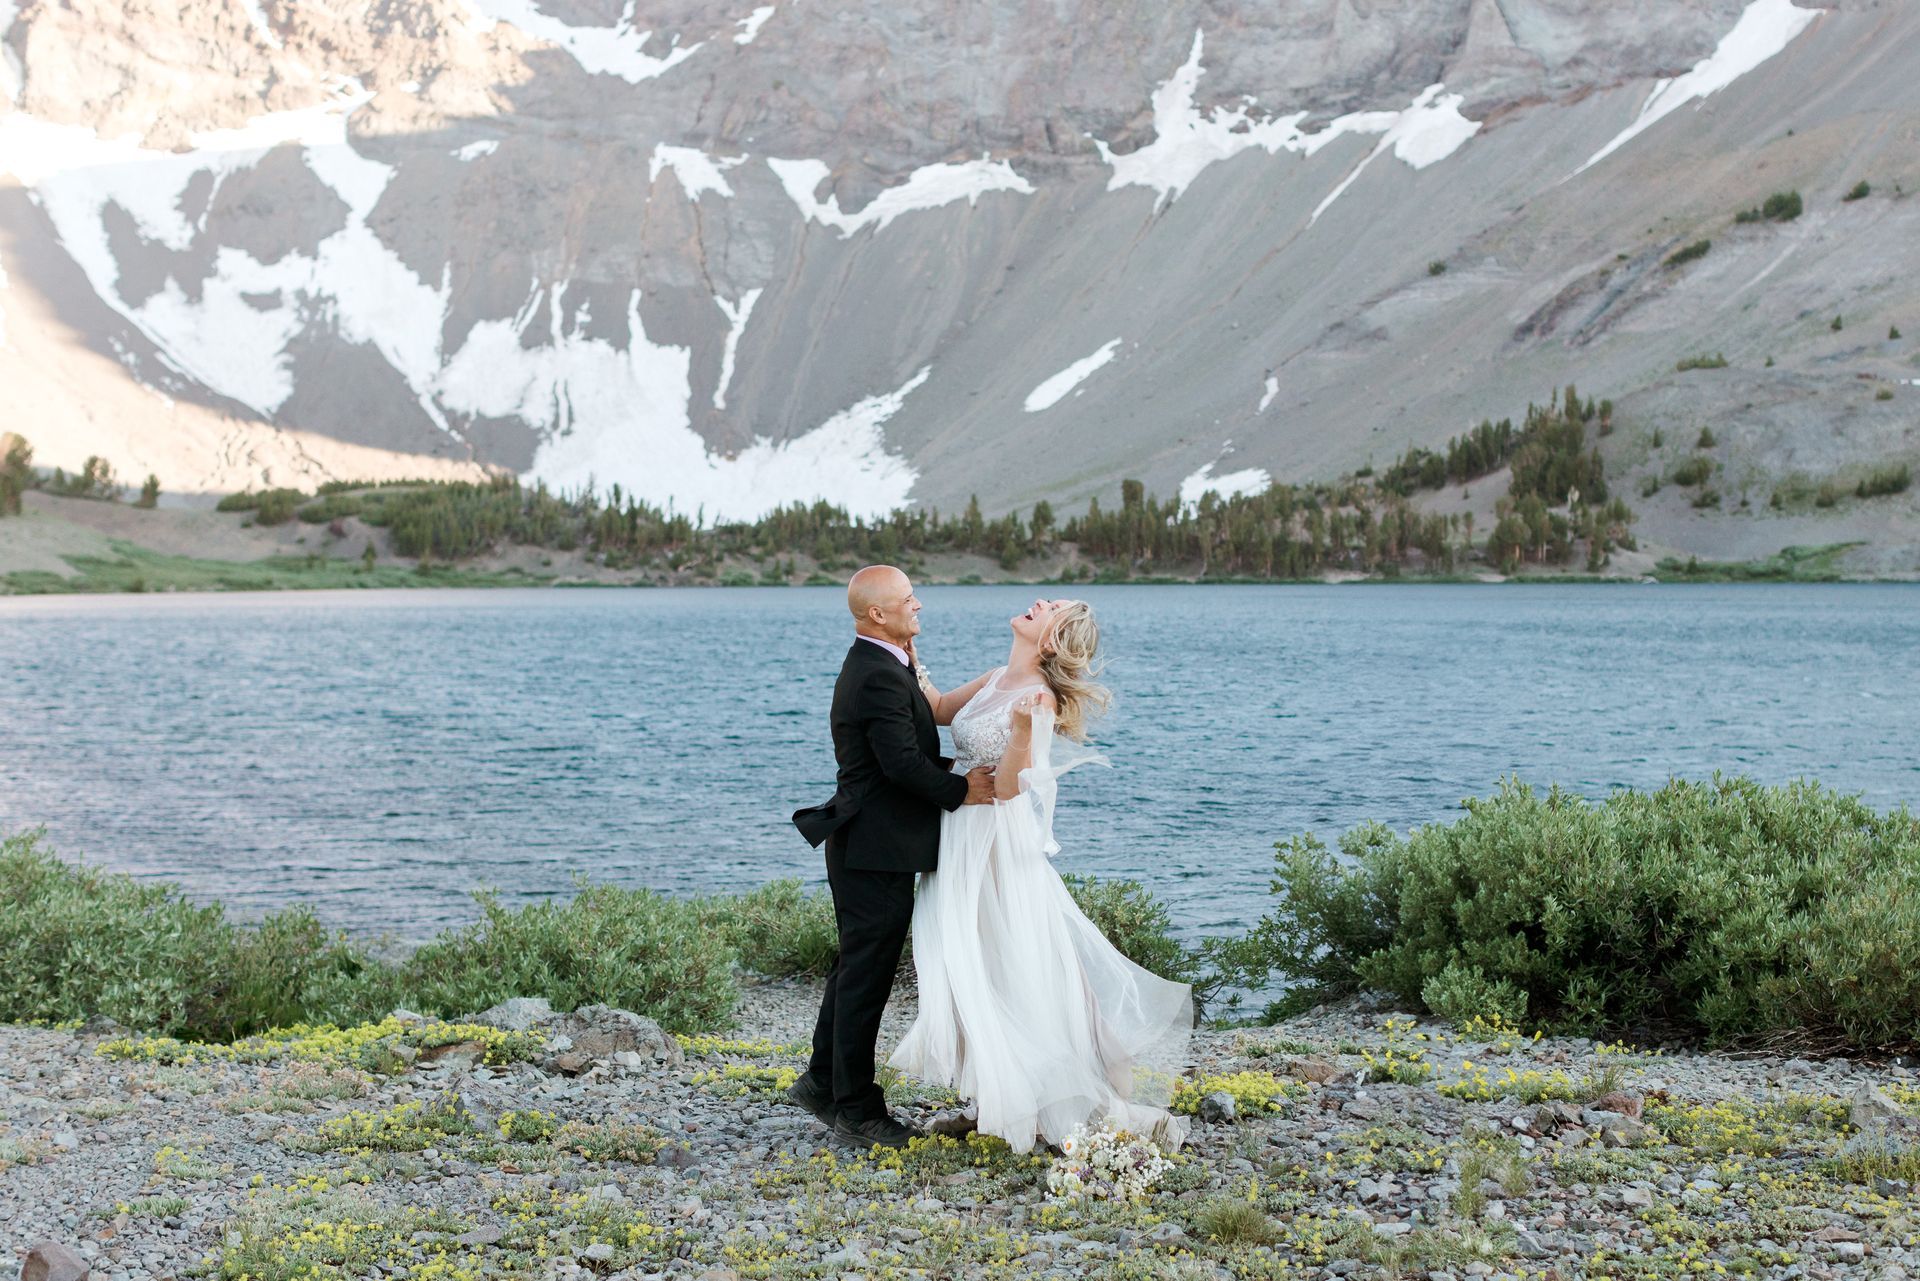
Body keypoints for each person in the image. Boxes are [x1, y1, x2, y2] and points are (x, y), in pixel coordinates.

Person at [889, 596, 1192, 1154]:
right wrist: (909, 657)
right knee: (975, 962)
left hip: (993, 843)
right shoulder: (997, 676)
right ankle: (999, 1099)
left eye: (1049, 607)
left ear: (1050, 640)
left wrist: (1025, 734)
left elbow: (1007, 787)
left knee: (1010, 960)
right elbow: (936, 710)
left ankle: (1074, 1099)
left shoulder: (1038, 700)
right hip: (958, 834)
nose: (1038, 602)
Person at [789, 565, 997, 1149]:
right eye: (908, 600)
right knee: (865, 978)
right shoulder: (876, 673)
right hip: (871, 849)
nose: (919, 606)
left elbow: (923, 725)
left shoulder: (887, 660)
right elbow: (900, 764)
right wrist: (963, 790)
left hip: (870, 844)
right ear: (877, 614)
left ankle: (822, 1082)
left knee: (856, 969)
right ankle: (855, 1108)